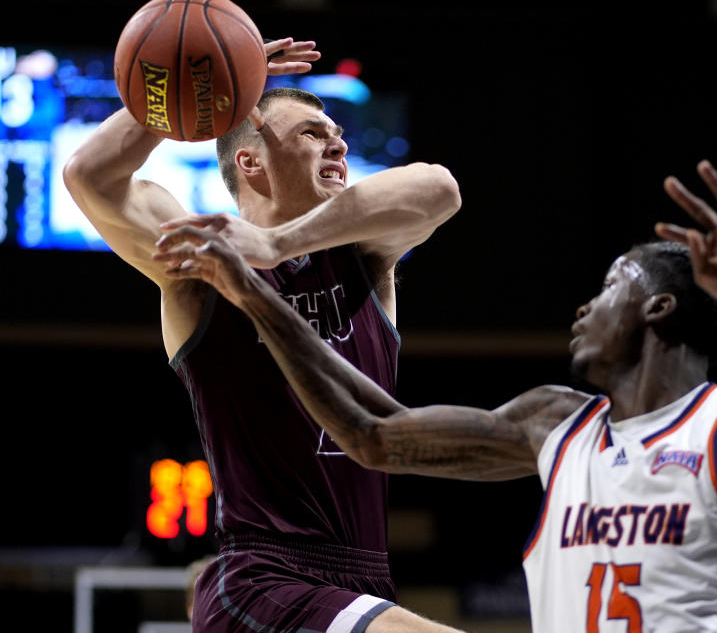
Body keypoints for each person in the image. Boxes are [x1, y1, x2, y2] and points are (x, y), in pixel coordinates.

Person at [153, 159, 717, 631]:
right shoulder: (555, 427)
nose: (584, 309)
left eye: (610, 288)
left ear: (661, 308)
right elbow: (371, 433)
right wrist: (256, 299)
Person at [63, 36, 465, 632]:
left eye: (336, 133)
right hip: (262, 578)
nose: (338, 141)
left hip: (365, 575)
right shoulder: (204, 260)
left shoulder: (362, 257)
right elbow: (89, 176)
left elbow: (440, 189)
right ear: (250, 162)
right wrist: (186, 94)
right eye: (311, 132)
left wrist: (280, 243)